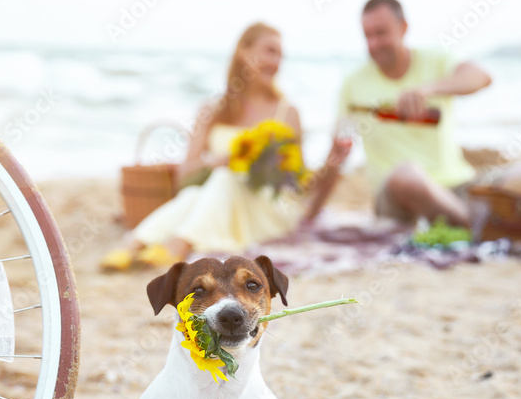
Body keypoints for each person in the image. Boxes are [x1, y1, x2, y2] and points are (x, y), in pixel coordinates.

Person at [102, 23, 351, 270]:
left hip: (268, 211)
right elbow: (183, 175)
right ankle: (134, 245)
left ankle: (175, 245)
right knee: (195, 192)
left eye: (280, 55)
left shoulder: (287, 113)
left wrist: (331, 165)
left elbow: (298, 186)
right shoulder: (212, 110)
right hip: (218, 202)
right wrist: (215, 161)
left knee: (225, 177)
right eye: (269, 51)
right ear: (243, 52)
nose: (276, 62)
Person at [305, 0, 491, 229]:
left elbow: (482, 77)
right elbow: (339, 151)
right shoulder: (353, 84)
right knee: (406, 174)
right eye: (367, 35)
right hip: (397, 196)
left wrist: (427, 90)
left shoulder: (435, 61)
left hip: (457, 187)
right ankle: (474, 227)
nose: (373, 44)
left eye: (380, 33)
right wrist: (310, 214)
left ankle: (463, 220)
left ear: (403, 28)